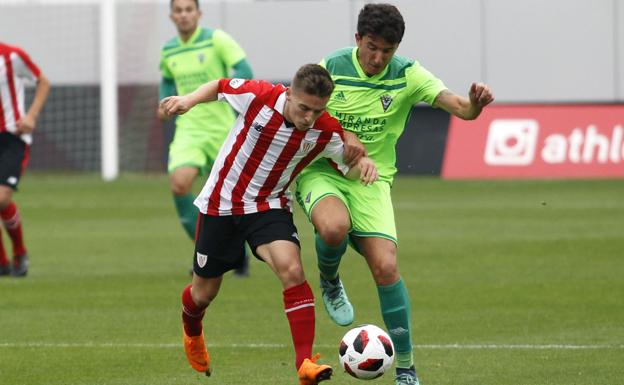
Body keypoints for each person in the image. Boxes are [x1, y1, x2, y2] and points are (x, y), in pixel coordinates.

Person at [294, 4, 495, 385]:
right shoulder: (332, 66)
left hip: (372, 180)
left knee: (386, 267)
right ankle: (330, 279)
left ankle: (405, 367)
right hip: (323, 171)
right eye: (371, 47)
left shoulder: (408, 73)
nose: (378, 58)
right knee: (334, 227)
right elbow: (310, 111)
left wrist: (475, 105)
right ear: (357, 40)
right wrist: (345, 138)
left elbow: (460, 109)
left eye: (387, 50)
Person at [159, 64, 378, 384]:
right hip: (221, 204)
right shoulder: (260, 96)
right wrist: (188, 100)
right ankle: (192, 330)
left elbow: (350, 157)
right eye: (303, 108)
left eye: (317, 111)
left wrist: (363, 159)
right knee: (203, 294)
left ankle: (305, 363)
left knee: (292, 270)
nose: (308, 118)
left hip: (268, 207)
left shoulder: (325, 130)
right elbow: (220, 85)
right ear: (289, 94)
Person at [158, 0, 253, 276]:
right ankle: (206, 251)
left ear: (198, 14)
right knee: (179, 184)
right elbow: (166, 79)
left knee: (231, 197)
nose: (184, 14)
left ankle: (238, 253)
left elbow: (244, 70)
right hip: (188, 128)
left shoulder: (217, 40)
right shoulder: (169, 50)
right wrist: (161, 103)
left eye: (189, 9)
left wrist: (231, 100)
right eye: (179, 10)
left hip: (223, 128)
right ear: (172, 16)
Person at [0, 42, 50, 277]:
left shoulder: (11, 55)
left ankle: (19, 251)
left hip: (12, 136)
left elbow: (43, 82)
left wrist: (31, 116)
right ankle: (2, 262)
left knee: (1, 197)